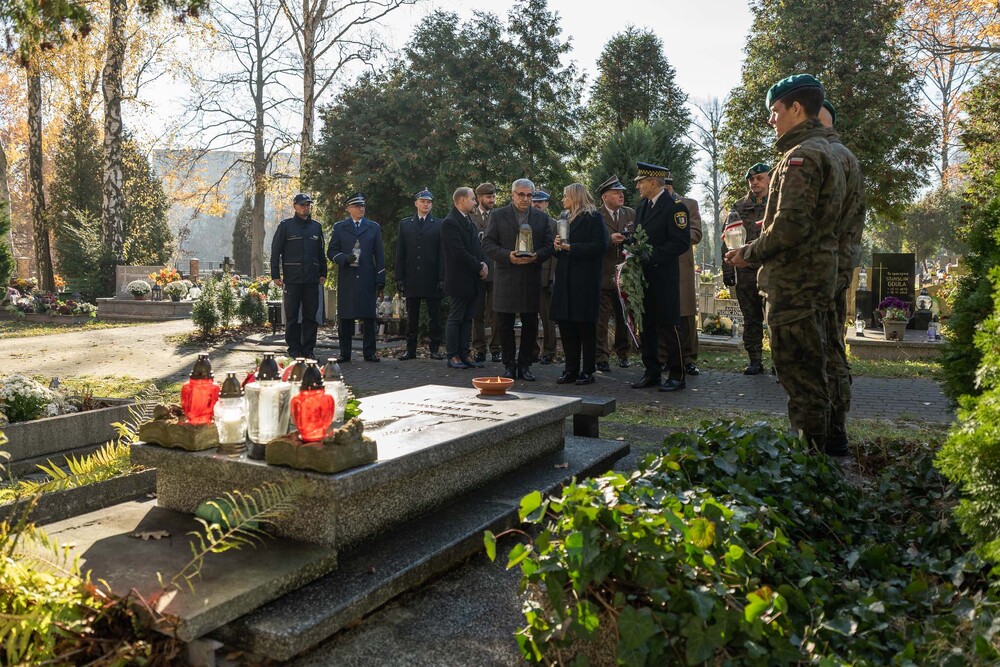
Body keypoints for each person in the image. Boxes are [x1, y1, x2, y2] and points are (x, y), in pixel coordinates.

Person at [725, 73, 844, 453]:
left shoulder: (802, 156)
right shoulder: (829, 151)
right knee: (816, 372)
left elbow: (790, 226)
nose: (771, 120)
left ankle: (812, 465)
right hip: (814, 278)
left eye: (774, 112)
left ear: (795, 108)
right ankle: (827, 452)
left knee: (801, 380)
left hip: (796, 283)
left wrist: (748, 253)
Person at [820, 98, 866, 458]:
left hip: (824, 268)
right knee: (832, 343)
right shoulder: (843, 154)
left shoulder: (830, 155)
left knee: (827, 348)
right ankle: (834, 431)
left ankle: (831, 430)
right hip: (838, 264)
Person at [480, 178, 554, 381]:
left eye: (529, 195)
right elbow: (487, 244)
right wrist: (507, 255)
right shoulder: (498, 215)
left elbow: (549, 246)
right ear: (512, 195)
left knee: (530, 323)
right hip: (506, 275)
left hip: (531, 276)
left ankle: (525, 365)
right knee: (505, 324)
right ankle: (509, 365)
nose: (525, 199)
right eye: (521, 194)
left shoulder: (541, 218)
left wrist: (537, 256)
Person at [629, 162, 690, 392]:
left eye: (641, 182)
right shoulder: (643, 206)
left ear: (653, 182)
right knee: (647, 326)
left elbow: (681, 242)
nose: (638, 187)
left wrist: (653, 255)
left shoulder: (675, 207)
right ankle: (652, 372)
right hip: (643, 277)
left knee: (668, 325)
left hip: (664, 276)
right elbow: (639, 234)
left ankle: (677, 374)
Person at [550, 183, 609, 385]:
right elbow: (560, 248)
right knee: (567, 326)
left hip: (583, 281)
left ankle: (588, 370)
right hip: (565, 279)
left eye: (565, 196)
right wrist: (557, 245)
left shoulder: (593, 217)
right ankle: (570, 369)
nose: (562, 199)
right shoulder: (565, 217)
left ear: (575, 197)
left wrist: (571, 247)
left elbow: (601, 245)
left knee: (585, 327)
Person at [327, 192, 386, 363]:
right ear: (349, 209)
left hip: (367, 276)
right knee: (345, 317)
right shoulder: (340, 227)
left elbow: (379, 255)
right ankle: (345, 353)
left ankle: (370, 353)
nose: (361, 208)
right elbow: (331, 251)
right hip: (348, 277)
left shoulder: (373, 227)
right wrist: (344, 258)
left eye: (363, 206)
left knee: (368, 317)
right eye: (357, 206)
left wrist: (380, 278)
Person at [723, 163, 770, 375]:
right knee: (751, 318)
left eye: (759, 178)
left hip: (772, 271)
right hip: (746, 272)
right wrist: (727, 270)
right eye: (751, 180)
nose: (755, 183)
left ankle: (779, 361)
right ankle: (755, 360)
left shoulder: (778, 203)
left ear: (769, 179)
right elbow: (727, 239)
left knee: (776, 319)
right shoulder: (739, 206)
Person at [270, 193, 326, 360]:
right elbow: (276, 252)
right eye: (302, 205)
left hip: (311, 279)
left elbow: (320, 253)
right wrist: (275, 274)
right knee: (292, 316)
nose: (306, 207)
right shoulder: (285, 226)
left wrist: (323, 273)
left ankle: (308, 350)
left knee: (311, 316)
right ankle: (293, 350)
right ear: (295, 206)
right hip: (292, 279)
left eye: (308, 205)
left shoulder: (316, 227)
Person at [441, 187, 490, 369]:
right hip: (459, 279)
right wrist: (478, 266)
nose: (475, 202)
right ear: (461, 200)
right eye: (472, 199)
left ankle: (464, 354)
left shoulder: (467, 220)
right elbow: (458, 252)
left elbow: (477, 247)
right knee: (456, 317)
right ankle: (453, 355)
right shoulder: (450, 222)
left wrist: (484, 264)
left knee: (468, 318)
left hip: (472, 279)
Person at [395, 188, 445, 361]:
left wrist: (442, 277)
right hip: (412, 277)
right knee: (412, 317)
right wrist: (399, 277)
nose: (426, 204)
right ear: (416, 203)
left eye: (429, 202)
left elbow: (442, 254)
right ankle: (410, 350)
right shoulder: (405, 224)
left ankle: (434, 349)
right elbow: (400, 253)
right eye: (423, 201)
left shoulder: (439, 224)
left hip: (432, 278)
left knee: (435, 318)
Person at [595, 174, 635, 373]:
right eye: (616, 193)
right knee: (600, 320)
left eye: (622, 193)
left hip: (625, 277)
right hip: (603, 275)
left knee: (624, 318)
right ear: (604, 197)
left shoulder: (630, 214)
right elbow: (592, 242)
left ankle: (623, 353)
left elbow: (638, 238)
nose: (621, 196)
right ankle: (601, 356)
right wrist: (609, 239)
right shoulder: (595, 215)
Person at [664, 174, 703, 376]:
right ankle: (664, 358)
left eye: (668, 188)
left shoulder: (688, 204)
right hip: (659, 266)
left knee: (685, 315)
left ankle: (688, 359)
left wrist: (673, 235)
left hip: (681, 266)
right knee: (662, 313)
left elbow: (696, 233)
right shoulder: (650, 205)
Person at [470, 183, 501, 363]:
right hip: (477, 270)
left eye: (493, 197)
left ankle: (496, 348)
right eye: (488, 197)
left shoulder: (499, 216)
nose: (492, 200)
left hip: (496, 270)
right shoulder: (470, 216)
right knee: (477, 312)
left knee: (496, 312)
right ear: (479, 197)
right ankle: (479, 348)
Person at [531, 190, 559, 365]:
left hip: (545, 276)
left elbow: (555, 253)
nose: (537, 204)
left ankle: (549, 351)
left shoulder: (554, 224)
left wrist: (551, 278)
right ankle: (531, 350)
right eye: (535, 202)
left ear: (546, 204)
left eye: (540, 202)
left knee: (548, 318)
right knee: (529, 316)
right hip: (526, 275)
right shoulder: (524, 221)